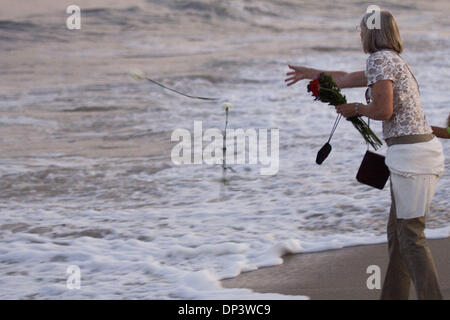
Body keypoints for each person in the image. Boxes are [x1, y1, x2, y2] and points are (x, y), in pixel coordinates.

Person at [285, 10, 445, 300]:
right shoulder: (391, 61)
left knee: (410, 238)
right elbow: (345, 78)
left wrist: (356, 108)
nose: (360, 35)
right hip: (415, 154)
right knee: (399, 237)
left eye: (361, 31)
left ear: (372, 33)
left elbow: (384, 111)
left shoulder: (380, 59)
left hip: (413, 158)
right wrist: (312, 73)